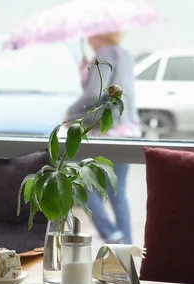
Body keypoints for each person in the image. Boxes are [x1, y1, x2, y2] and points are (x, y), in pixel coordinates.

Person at [64, 32, 141, 244]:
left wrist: (70, 113)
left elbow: (94, 95)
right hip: (128, 130)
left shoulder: (103, 54)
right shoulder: (125, 55)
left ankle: (110, 233)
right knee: (118, 192)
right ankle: (126, 246)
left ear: (100, 34)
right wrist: (88, 72)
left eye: (91, 35)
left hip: (107, 131)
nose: (88, 39)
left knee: (82, 182)